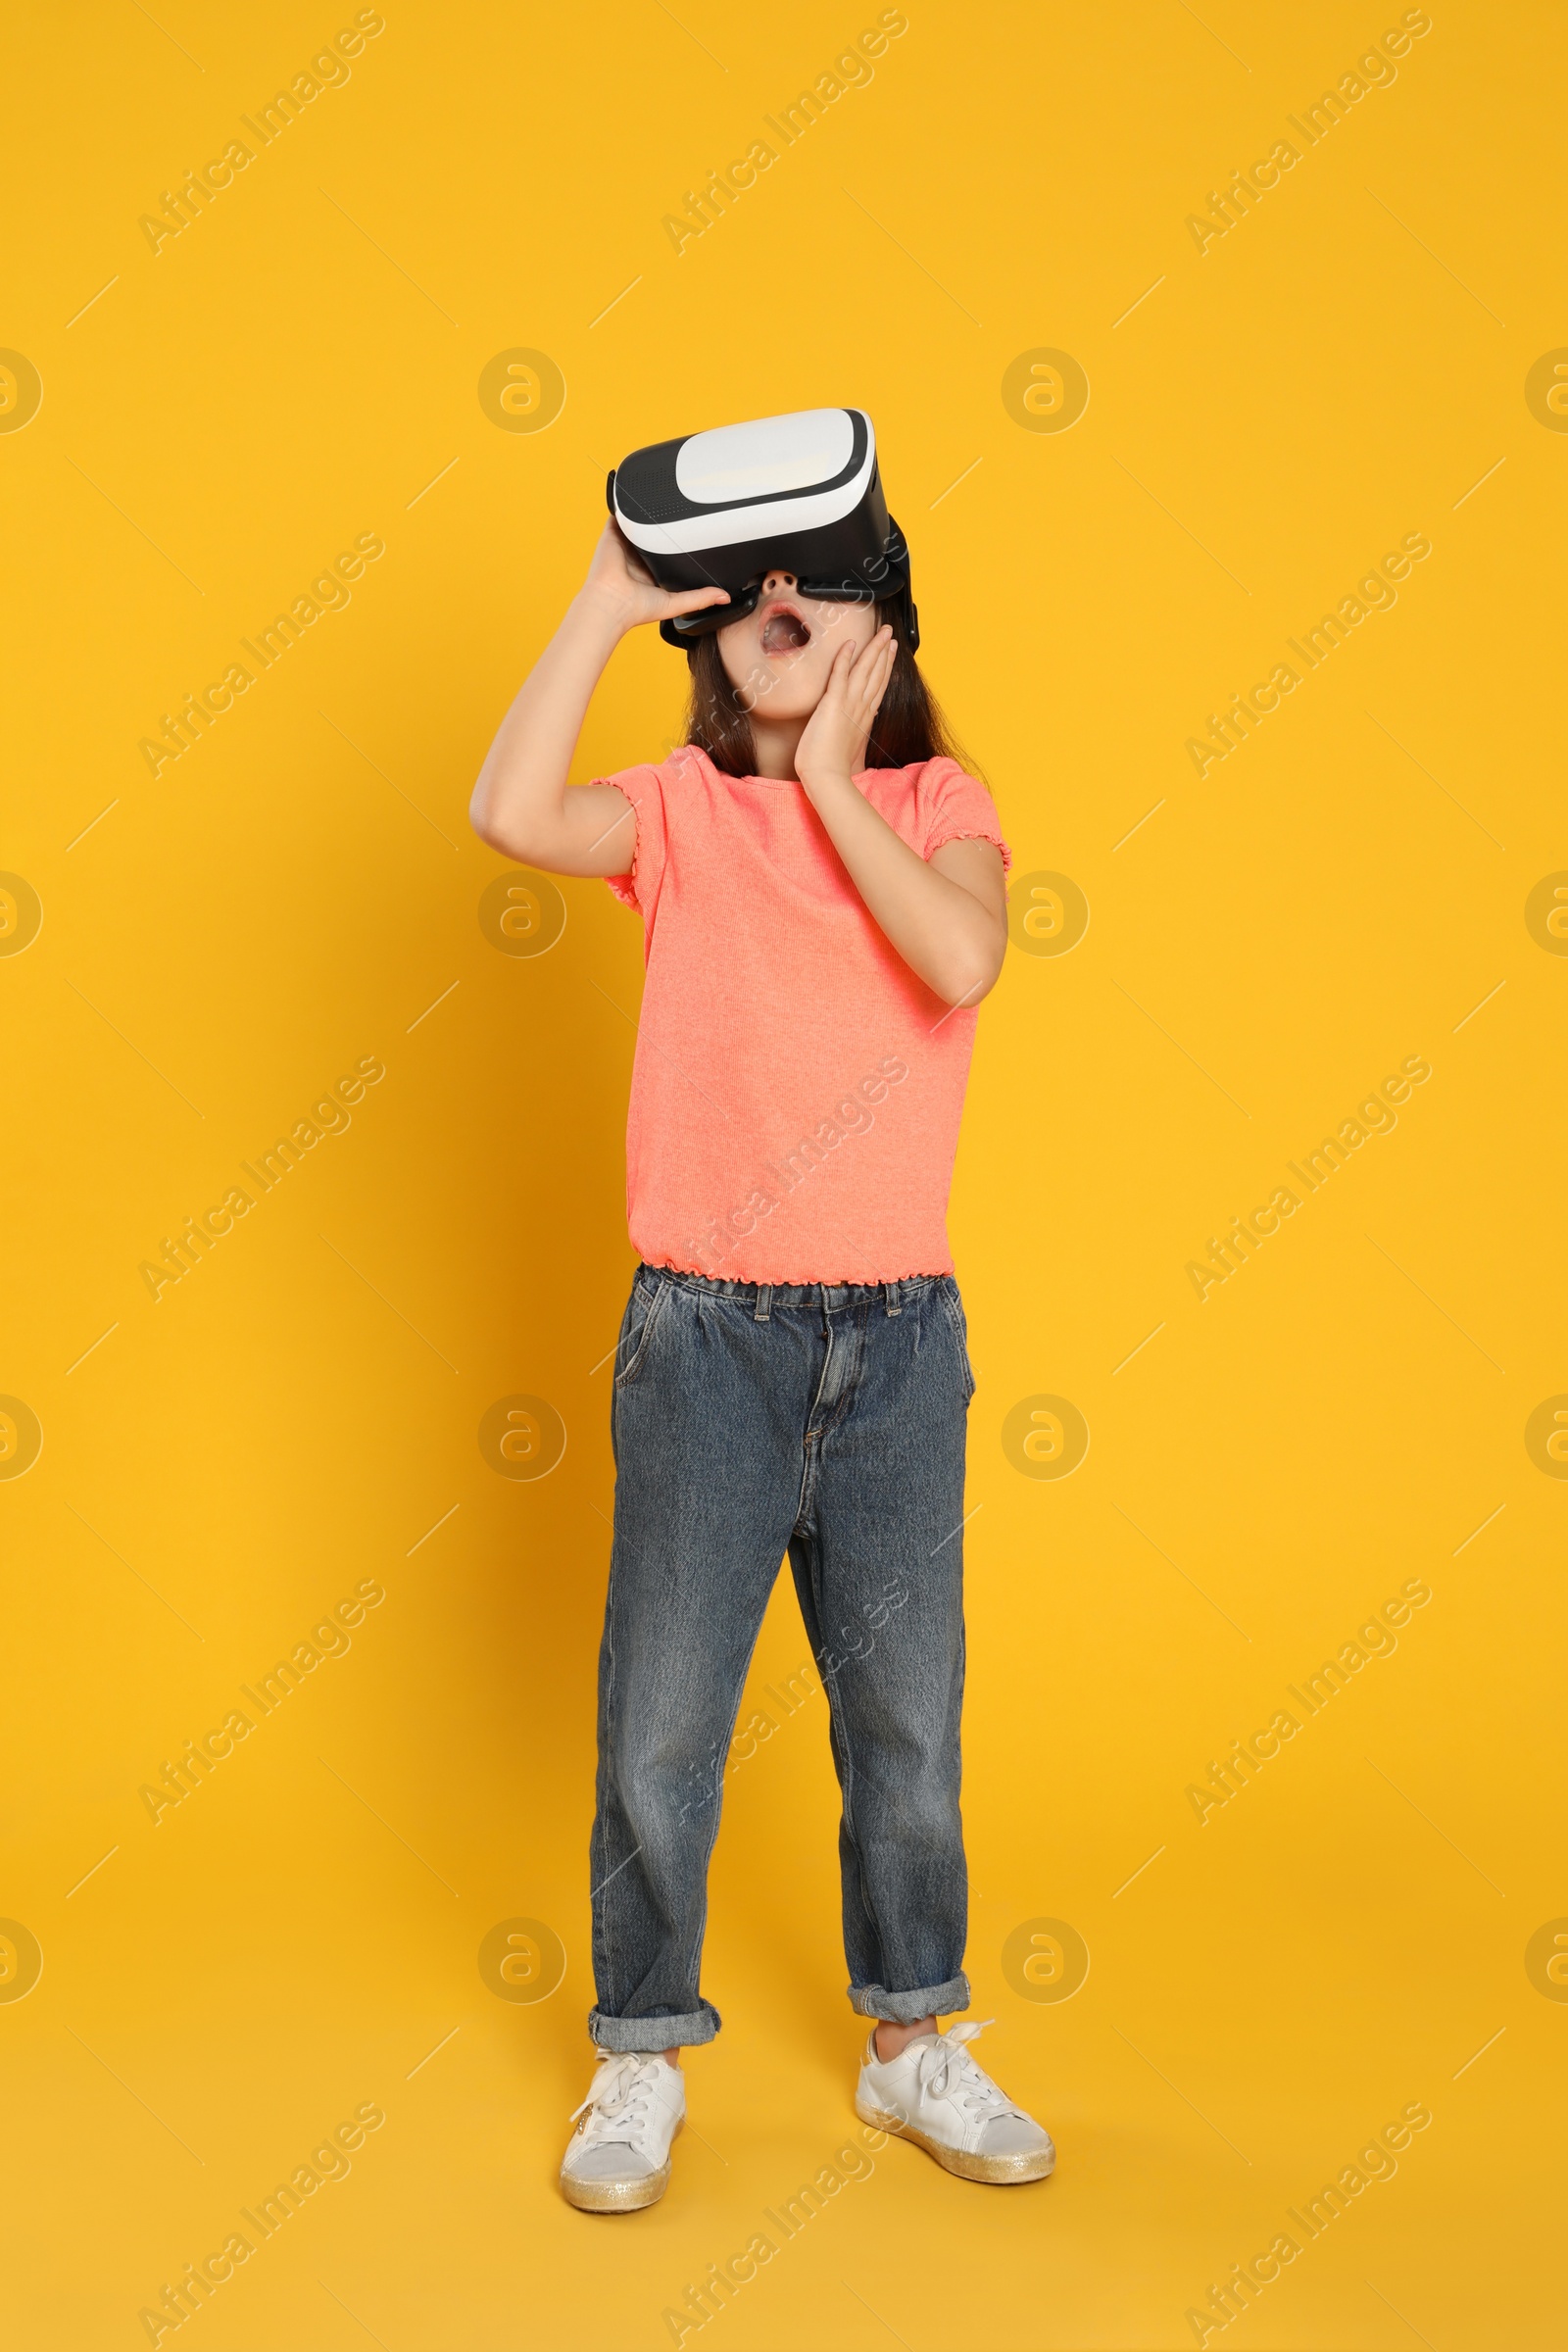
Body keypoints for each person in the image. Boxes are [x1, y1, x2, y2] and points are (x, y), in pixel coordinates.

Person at [470, 506, 1055, 2212]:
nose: (781, 598)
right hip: (706, 1332)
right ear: (712, 637)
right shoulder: (674, 814)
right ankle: (639, 2051)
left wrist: (833, 786)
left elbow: (958, 961)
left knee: (905, 1716)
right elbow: (508, 811)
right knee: (662, 1717)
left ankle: (911, 2043)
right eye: (752, 587)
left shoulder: (942, 808)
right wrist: (596, 603)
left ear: (888, 633)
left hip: (898, 1342)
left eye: (824, 583)